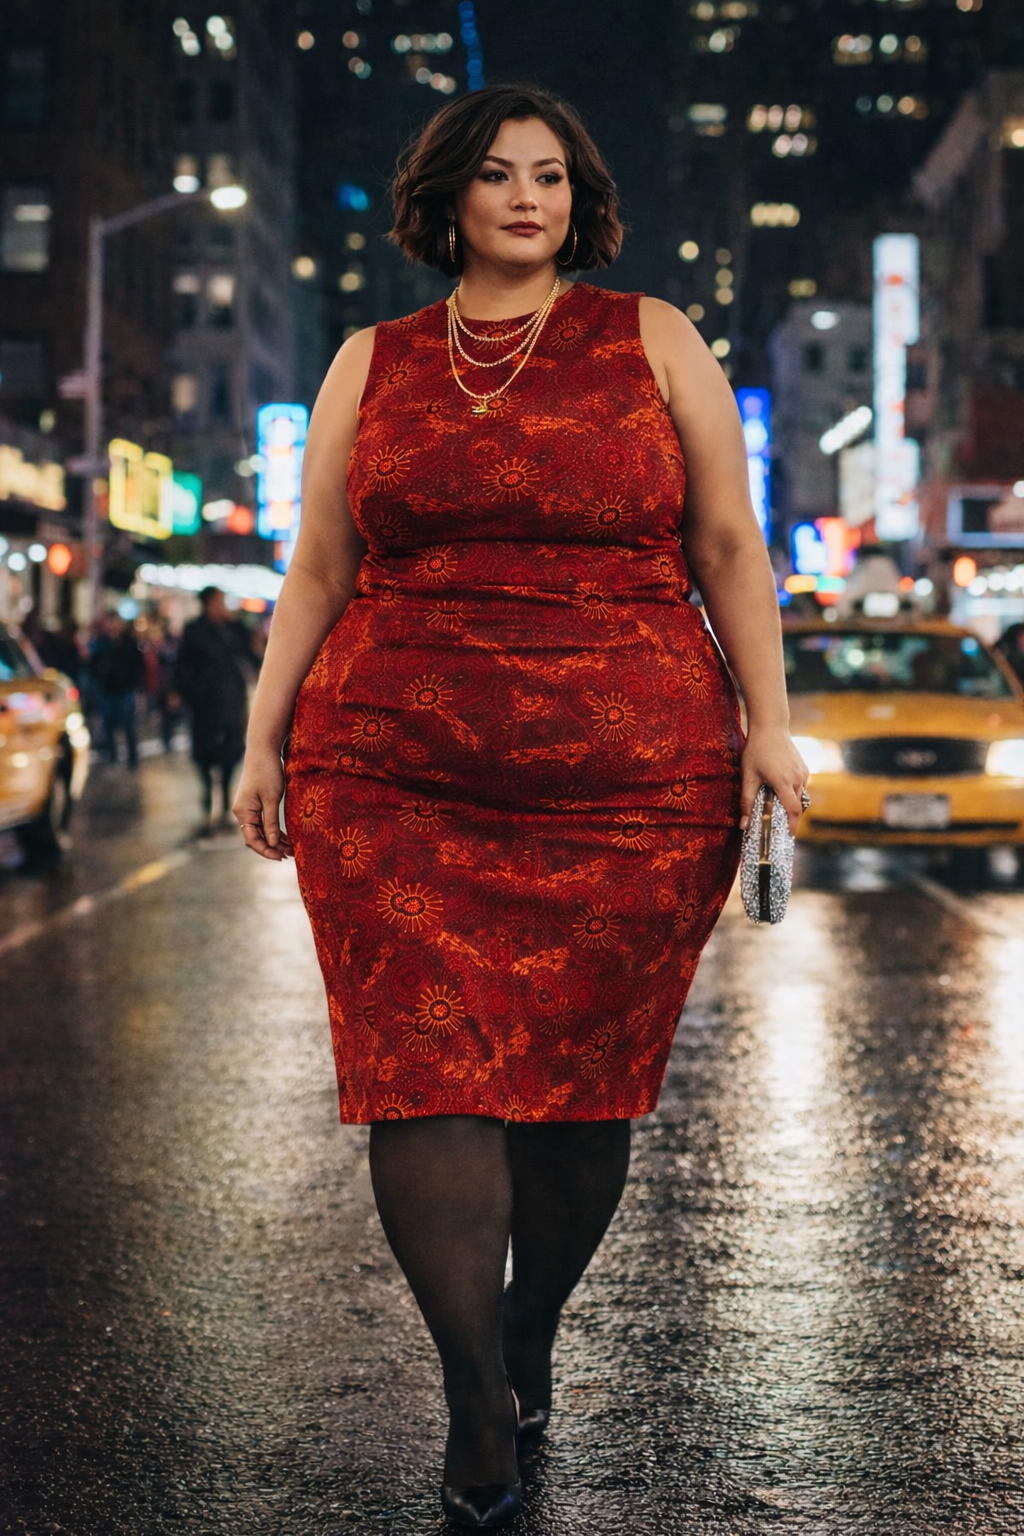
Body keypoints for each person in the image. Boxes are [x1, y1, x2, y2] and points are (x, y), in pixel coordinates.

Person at [232, 85, 809, 1529]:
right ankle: (476, 1398)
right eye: (496, 175)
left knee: (576, 1094)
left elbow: (729, 542)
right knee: (424, 1073)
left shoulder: (653, 336)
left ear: (580, 199)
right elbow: (318, 568)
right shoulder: (373, 360)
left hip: (631, 780)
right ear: (449, 199)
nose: (526, 198)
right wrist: (261, 737)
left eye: (551, 176)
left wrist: (773, 729)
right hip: (390, 766)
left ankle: (529, 1321)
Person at [173, 587, 251, 833]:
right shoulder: (194, 631)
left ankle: (226, 803)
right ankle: (207, 802)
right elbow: (181, 664)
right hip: (204, 705)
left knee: (231, 753)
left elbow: (251, 655)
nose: (223, 607)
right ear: (208, 604)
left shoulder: (233, 630)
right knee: (203, 754)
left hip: (231, 704)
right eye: (218, 602)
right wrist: (178, 692)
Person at [91, 613, 145, 769]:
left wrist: (135, 684)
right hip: (108, 690)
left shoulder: (129, 643)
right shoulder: (103, 644)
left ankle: (132, 759)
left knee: (128, 725)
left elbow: (138, 665)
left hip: (125, 689)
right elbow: (93, 665)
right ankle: (112, 756)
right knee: (108, 725)